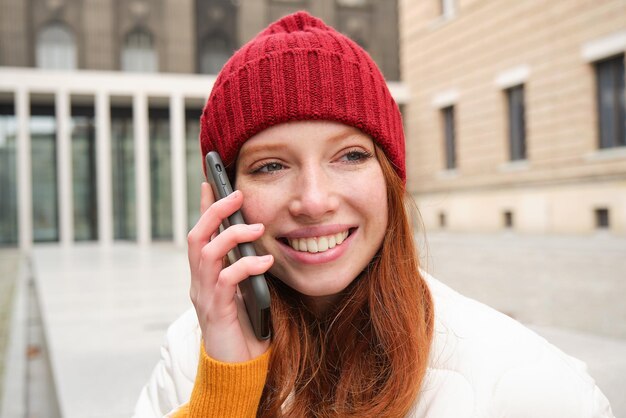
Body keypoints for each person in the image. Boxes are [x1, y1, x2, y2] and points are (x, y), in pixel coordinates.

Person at [133, 11, 614, 418]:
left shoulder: (531, 386)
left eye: (350, 156)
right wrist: (225, 390)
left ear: (391, 177)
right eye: (272, 166)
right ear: (224, 195)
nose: (315, 200)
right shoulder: (192, 354)